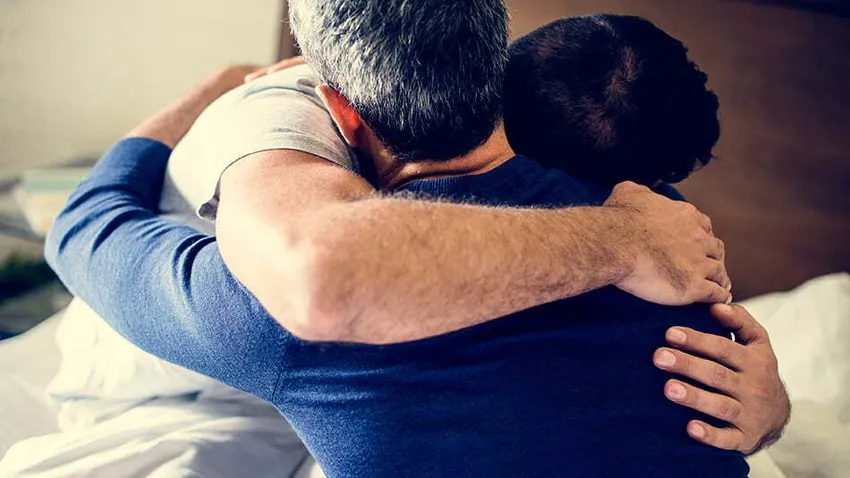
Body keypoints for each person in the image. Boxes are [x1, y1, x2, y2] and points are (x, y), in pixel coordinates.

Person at [44, 3, 789, 477]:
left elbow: (84, 226)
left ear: (339, 110)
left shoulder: (278, 309)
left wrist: (212, 91)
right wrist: (774, 415)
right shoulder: (663, 225)